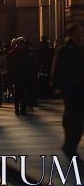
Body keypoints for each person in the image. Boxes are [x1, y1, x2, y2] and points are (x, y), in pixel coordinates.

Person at [51, 22, 84, 159]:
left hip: (80, 89)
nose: (81, 34)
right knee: (71, 117)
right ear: (72, 33)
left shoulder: (81, 49)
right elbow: (57, 68)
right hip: (70, 88)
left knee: (79, 118)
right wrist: (56, 85)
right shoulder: (63, 50)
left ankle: (71, 143)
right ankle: (69, 144)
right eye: (78, 32)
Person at [8, 37, 33, 115]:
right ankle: (23, 108)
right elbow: (31, 65)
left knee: (17, 93)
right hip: (26, 76)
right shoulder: (27, 53)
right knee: (24, 93)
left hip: (16, 76)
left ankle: (16, 108)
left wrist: (10, 78)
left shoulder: (12, 53)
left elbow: (10, 67)